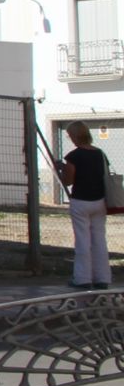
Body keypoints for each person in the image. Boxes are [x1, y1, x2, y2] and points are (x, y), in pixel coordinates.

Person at [62, 120, 111, 289]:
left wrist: (61, 169)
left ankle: (82, 279)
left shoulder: (73, 156)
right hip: (99, 201)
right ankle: (102, 278)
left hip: (80, 201)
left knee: (83, 241)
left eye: (70, 136)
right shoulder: (100, 154)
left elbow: (68, 180)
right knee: (99, 240)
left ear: (75, 136)